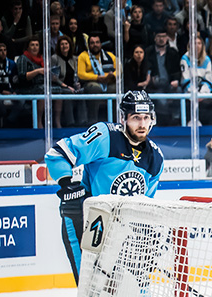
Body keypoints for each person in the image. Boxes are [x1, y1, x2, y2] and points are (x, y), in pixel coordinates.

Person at [45, 90, 165, 285]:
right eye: (135, 118)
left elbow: (144, 204)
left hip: (120, 229)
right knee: (91, 290)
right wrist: (68, 186)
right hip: (85, 219)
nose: (142, 124)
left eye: (146, 117)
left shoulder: (155, 159)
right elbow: (57, 153)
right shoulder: (106, 137)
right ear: (123, 118)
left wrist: (145, 237)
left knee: (129, 292)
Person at [76, 34, 117, 122]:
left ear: (101, 44)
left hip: (108, 82)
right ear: (88, 45)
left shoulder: (109, 55)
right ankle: (92, 121)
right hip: (91, 82)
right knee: (95, 88)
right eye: (92, 43)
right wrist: (98, 78)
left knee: (115, 88)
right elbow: (81, 74)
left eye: (97, 42)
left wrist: (112, 76)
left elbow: (119, 69)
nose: (95, 45)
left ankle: (114, 120)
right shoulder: (83, 56)